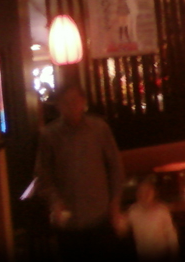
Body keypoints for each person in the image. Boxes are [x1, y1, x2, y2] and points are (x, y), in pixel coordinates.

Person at [34, 83, 126, 261]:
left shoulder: (99, 128)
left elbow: (115, 167)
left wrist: (115, 206)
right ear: (58, 106)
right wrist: (55, 201)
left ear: (83, 102)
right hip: (69, 222)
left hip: (100, 217)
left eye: (75, 101)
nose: (71, 106)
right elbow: (42, 174)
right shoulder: (49, 135)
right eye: (65, 102)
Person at [120, 175, 179, 262]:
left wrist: (174, 257)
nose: (145, 194)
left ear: (154, 193)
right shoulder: (133, 211)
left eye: (148, 191)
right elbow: (122, 228)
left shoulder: (162, 211)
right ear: (137, 194)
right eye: (141, 191)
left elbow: (171, 236)